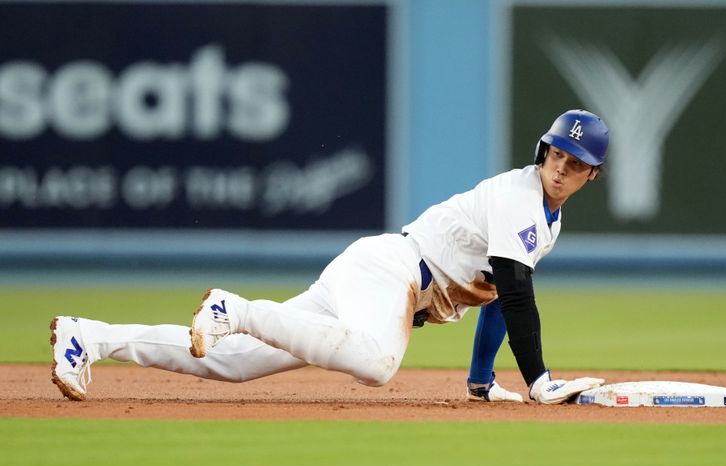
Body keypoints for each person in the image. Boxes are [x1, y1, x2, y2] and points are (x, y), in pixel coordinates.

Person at [50, 109, 608, 404]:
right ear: (543, 151)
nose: (561, 167)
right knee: (378, 364)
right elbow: (515, 291)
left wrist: (482, 381)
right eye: (557, 153)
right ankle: (235, 309)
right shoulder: (520, 198)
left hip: (379, 277)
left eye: (575, 162)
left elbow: (493, 297)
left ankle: (89, 337)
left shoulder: (545, 218)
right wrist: (538, 380)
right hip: (390, 273)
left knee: (235, 362)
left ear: (592, 175)